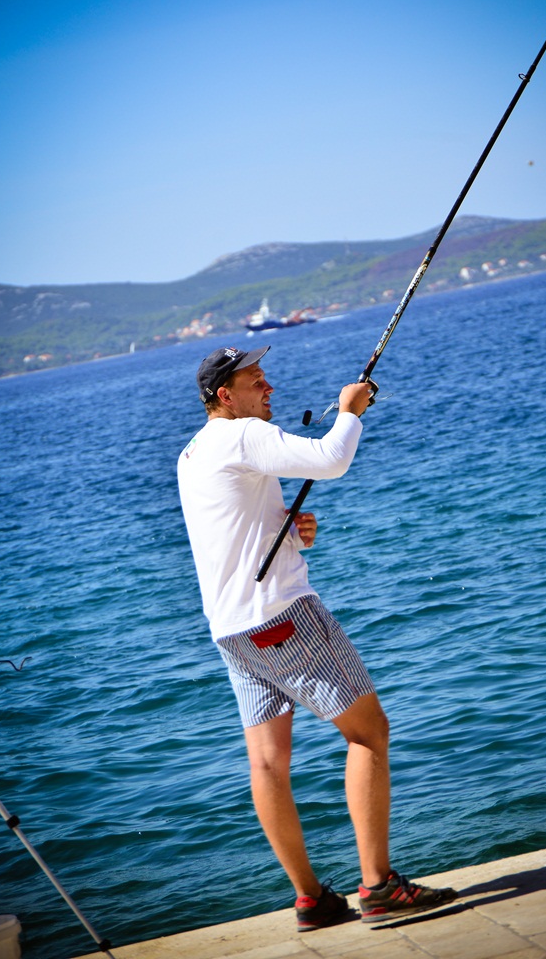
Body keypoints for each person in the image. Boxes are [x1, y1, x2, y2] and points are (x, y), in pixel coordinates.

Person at [177, 344, 457, 931]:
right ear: (225, 395)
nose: (269, 388)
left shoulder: (193, 452)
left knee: (267, 764)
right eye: (256, 380)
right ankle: (378, 886)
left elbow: (232, 529)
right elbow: (331, 460)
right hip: (282, 617)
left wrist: (289, 531)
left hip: (232, 630)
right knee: (369, 733)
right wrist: (350, 410)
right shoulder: (242, 434)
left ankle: (311, 899)